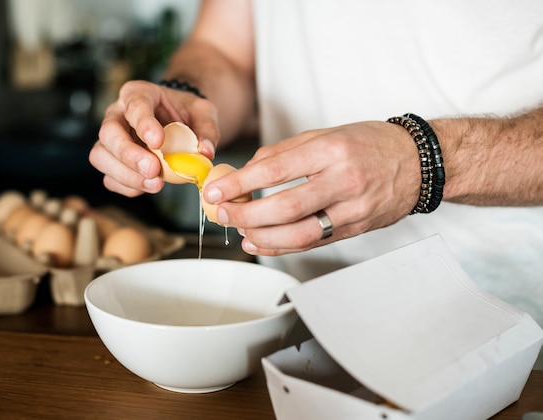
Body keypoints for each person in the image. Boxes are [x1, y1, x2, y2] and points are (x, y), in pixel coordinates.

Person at [90, 0, 543, 365]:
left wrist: (422, 162)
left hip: (508, 336)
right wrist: (183, 99)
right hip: (295, 322)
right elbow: (223, 49)